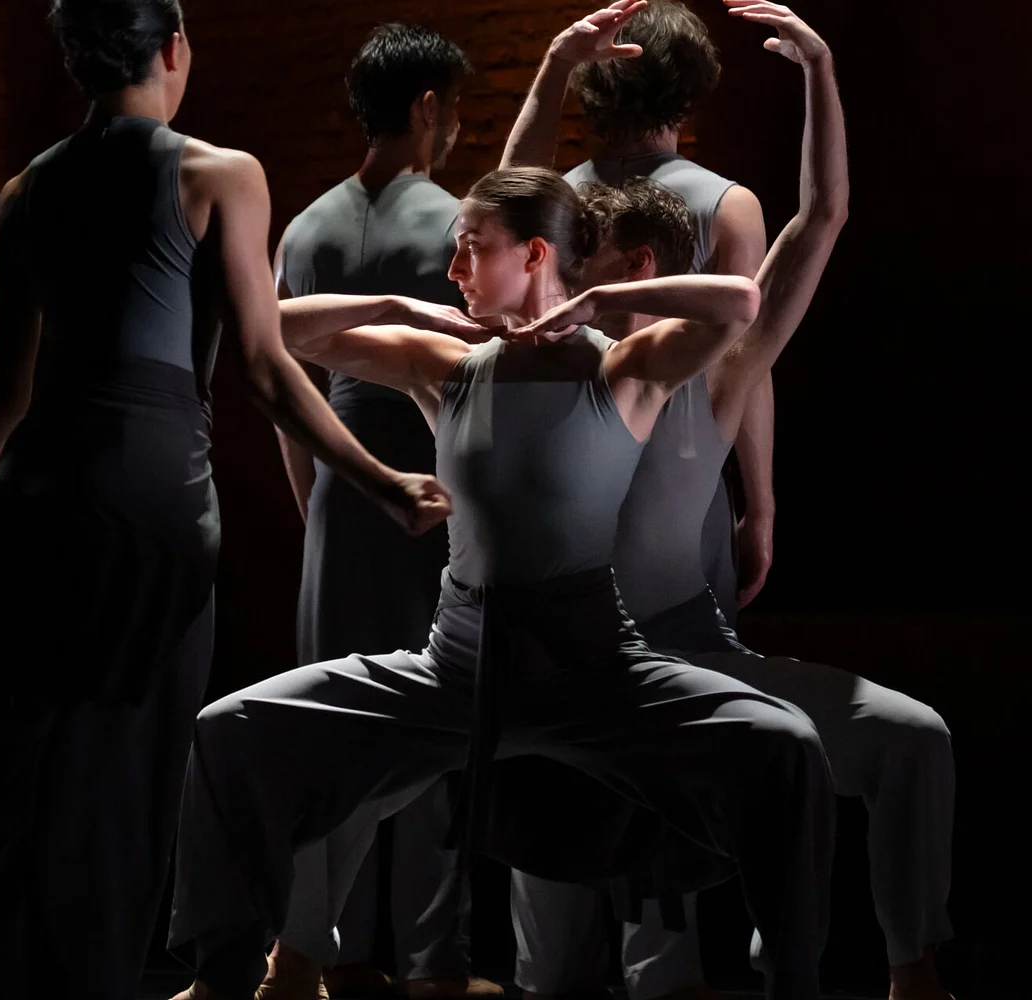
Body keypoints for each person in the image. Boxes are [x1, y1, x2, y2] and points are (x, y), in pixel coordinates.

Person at [0, 2, 453, 997]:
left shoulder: (25, 191)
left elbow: (6, 379)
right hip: (150, 488)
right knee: (132, 754)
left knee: (41, 731)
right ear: (175, 48)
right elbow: (264, 368)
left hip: (44, 484)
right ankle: (70, 970)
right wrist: (383, 478)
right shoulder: (218, 174)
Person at [168, 166, 837, 1000]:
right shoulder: (445, 367)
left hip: (594, 669)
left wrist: (595, 303)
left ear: (534, 253)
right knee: (230, 730)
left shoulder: (626, 369)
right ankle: (224, 977)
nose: (452, 270)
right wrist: (397, 306)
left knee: (787, 747)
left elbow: (740, 301)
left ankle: (794, 982)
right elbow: (266, 324)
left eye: (471, 248)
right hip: (458, 668)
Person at [506, 7, 957, 1000]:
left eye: (628, 260)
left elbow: (821, 219)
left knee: (906, 738)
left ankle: (906, 969)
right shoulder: (539, 367)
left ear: (656, 270)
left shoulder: (715, 369)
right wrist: (555, 66)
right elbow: (504, 204)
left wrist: (821, 68)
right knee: (557, 955)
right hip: (558, 673)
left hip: (679, 651)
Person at [269, 23, 498, 999]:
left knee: (334, 721)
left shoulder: (301, 230)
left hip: (338, 489)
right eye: (456, 109)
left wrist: (318, 499)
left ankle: (324, 950)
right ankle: (433, 961)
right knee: (436, 723)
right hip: (433, 480)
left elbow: (281, 390)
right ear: (428, 108)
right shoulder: (456, 224)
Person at [503, 0, 777, 624]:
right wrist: (760, 507)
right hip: (680, 461)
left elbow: (508, 193)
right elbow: (748, 363)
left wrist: (556, 64)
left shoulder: (557, 198)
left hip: (566, 453)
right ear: (691, 84)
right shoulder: (729, 206)